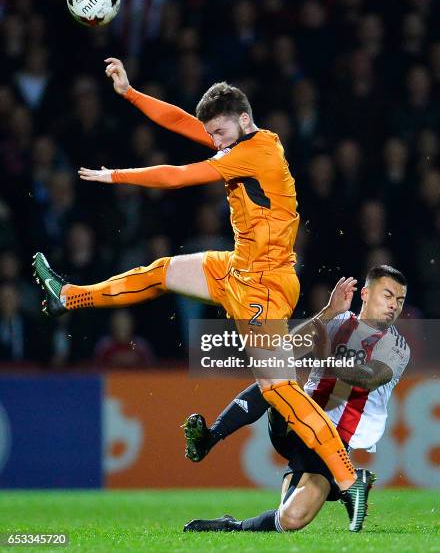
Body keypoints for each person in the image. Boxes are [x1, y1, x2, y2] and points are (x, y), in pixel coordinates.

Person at [33, 57, 369, 530]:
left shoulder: (259, 151)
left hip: (266, 286)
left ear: (244, 121)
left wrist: (116, 177)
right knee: (162, 272)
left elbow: (176, 176)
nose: (213, 141)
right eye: (211, 134)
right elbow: (180, 121)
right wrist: (130, 93)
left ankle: (349, 480)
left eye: (218, 133)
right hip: (236, 269)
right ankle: (69, 296)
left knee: (280, 389)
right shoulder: (236, 140)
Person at [183, 265, 410, 532]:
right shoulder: (337, 321)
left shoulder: (396, 347)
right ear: (366, 293)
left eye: (400, 300)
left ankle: (232, 526)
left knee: (290, 519)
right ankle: (209, 437)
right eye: (388, 296)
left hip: (331, 445)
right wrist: (328, 312)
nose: (394, 305)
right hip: (296, 420)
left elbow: (369, 377)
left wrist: (326, 357)